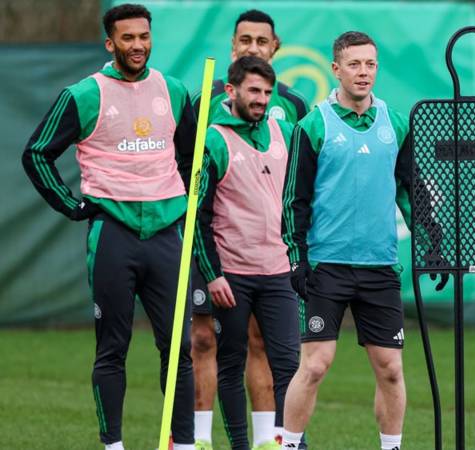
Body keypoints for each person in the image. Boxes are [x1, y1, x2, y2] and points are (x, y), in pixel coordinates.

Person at [21, 4, 197, 449]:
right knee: (112, 348)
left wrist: (181, 195)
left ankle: (185, 442)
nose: (137, 45)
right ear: (110, 43)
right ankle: (113, 444)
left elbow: (193, 158)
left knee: (179, 350)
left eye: (144, 36)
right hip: (113, 234)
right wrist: (72, 205)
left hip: (167, 235)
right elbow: (37, 153)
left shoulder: (174, 90)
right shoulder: (83, 94)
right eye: (127, 38)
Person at [279, 31, 447, 450]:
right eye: (354, 64)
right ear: (336, 69)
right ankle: (288, 445)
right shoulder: (312, 124)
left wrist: (433, 242)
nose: (363, 72)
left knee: (390, 368)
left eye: (370, 64)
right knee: (315, 365)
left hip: (380, 267)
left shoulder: (397, 122)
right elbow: (293, 200)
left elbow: (413, 190)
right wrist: (297, 259)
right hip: (326, 265)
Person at [189, 9, 309, 450]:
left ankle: (274, 441)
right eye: (245, 40)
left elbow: (300, 177)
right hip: (218, 251)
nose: (253, 47)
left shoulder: (292, 107)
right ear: (232, 46)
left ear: (275, 47)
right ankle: (199, 438)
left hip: (272, 261)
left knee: (273, 349)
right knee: (204, 340)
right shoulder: (204, 103)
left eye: (262, 41)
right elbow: (194, 182)